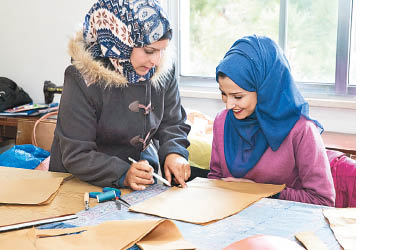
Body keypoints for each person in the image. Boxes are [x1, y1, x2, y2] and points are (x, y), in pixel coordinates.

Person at [50, 0, 207, 190]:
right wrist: (122, 173)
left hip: (141, 178)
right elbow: (77, 154)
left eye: (161, 50)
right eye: (149, 51)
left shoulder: (161, 70)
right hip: (81, 183)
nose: (156, 60)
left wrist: (175, 152)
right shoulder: (82, 78)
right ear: (118, 40)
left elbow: (172, 122)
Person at [208, 35, 335, 206]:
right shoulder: (222, 122)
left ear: (264, 89)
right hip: (234, 221)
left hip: (285, 226)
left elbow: (322, 200)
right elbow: (215, 179)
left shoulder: (301, 130)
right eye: (223, 94)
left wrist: (262, 192)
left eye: (238, 96)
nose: (229, 105)